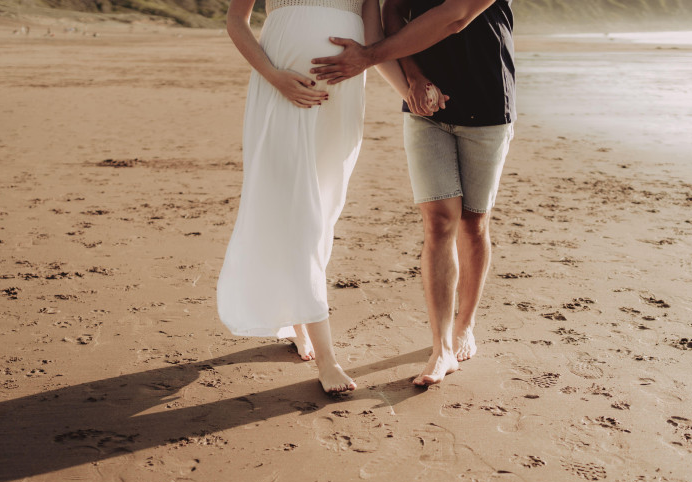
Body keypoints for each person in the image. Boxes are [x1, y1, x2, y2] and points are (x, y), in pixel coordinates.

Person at [310, 0, 515, 386]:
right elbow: (393, 11)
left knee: (473, 224)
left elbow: (455, 17)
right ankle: (442, 349)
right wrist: (413, 77)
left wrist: (369, 56)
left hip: (487, 105)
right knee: (439, 224)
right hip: (424, 107)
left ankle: (465, 324)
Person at [217, 0, 409, 393]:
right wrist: (273, 75)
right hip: (281, 91)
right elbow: (236, 20)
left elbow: (374, 42)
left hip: (342, 99)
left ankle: (299, 316)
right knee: (298, 210)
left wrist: (408, 91)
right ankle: (327, 358)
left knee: (322, 211)